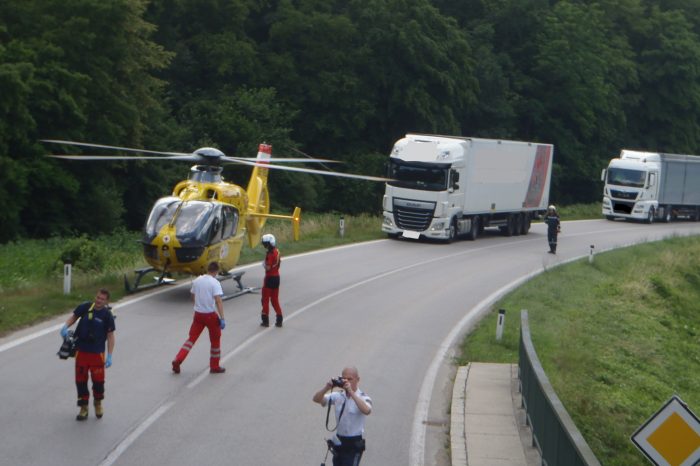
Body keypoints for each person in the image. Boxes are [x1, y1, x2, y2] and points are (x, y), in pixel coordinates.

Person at [60, 288, 116, 421]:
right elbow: (73, 318)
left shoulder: (107, 315)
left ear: (106, 301)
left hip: (97, 354)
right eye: (97, 297)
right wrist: (64, 327)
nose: (99, 301)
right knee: (80, 382)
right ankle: (83, 407)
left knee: (98, 383)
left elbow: (110, 336)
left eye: (102, 299)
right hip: (81, 352)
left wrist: (109, 355)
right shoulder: (85, 307)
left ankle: (98, 403)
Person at [172, 261, 226, 374]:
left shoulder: (197, 281)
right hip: (210, 315)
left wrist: (198, 306)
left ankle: (178, 359)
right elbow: (218, 301)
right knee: (215, 340)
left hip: (198, 315)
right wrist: (222, 318)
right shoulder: (215, 283)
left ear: (208, 269)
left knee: (191, 339)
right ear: (216, 271)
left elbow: (192, 297)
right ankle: (214, 366)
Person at [313, 367, 372, 466]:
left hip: (354, 444)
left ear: (358, 379)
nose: (346, 381)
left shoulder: (363, 397)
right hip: (339, 441)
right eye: (344, 379)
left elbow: (367, 410)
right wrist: (326, 388)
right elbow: (317, 399)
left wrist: (351, 393)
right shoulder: (338, 396)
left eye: (350, 379)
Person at [260, 233, 284, 328]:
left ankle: (265, 320)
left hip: (269, 278)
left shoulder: (270, 254)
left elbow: (268, 267)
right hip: (276, 278)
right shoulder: (277, 251)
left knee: (265, 300)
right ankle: (279, 319)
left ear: (269, 243)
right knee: (275, 300)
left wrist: (264, 265)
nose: (265, 246)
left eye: (265, 244)